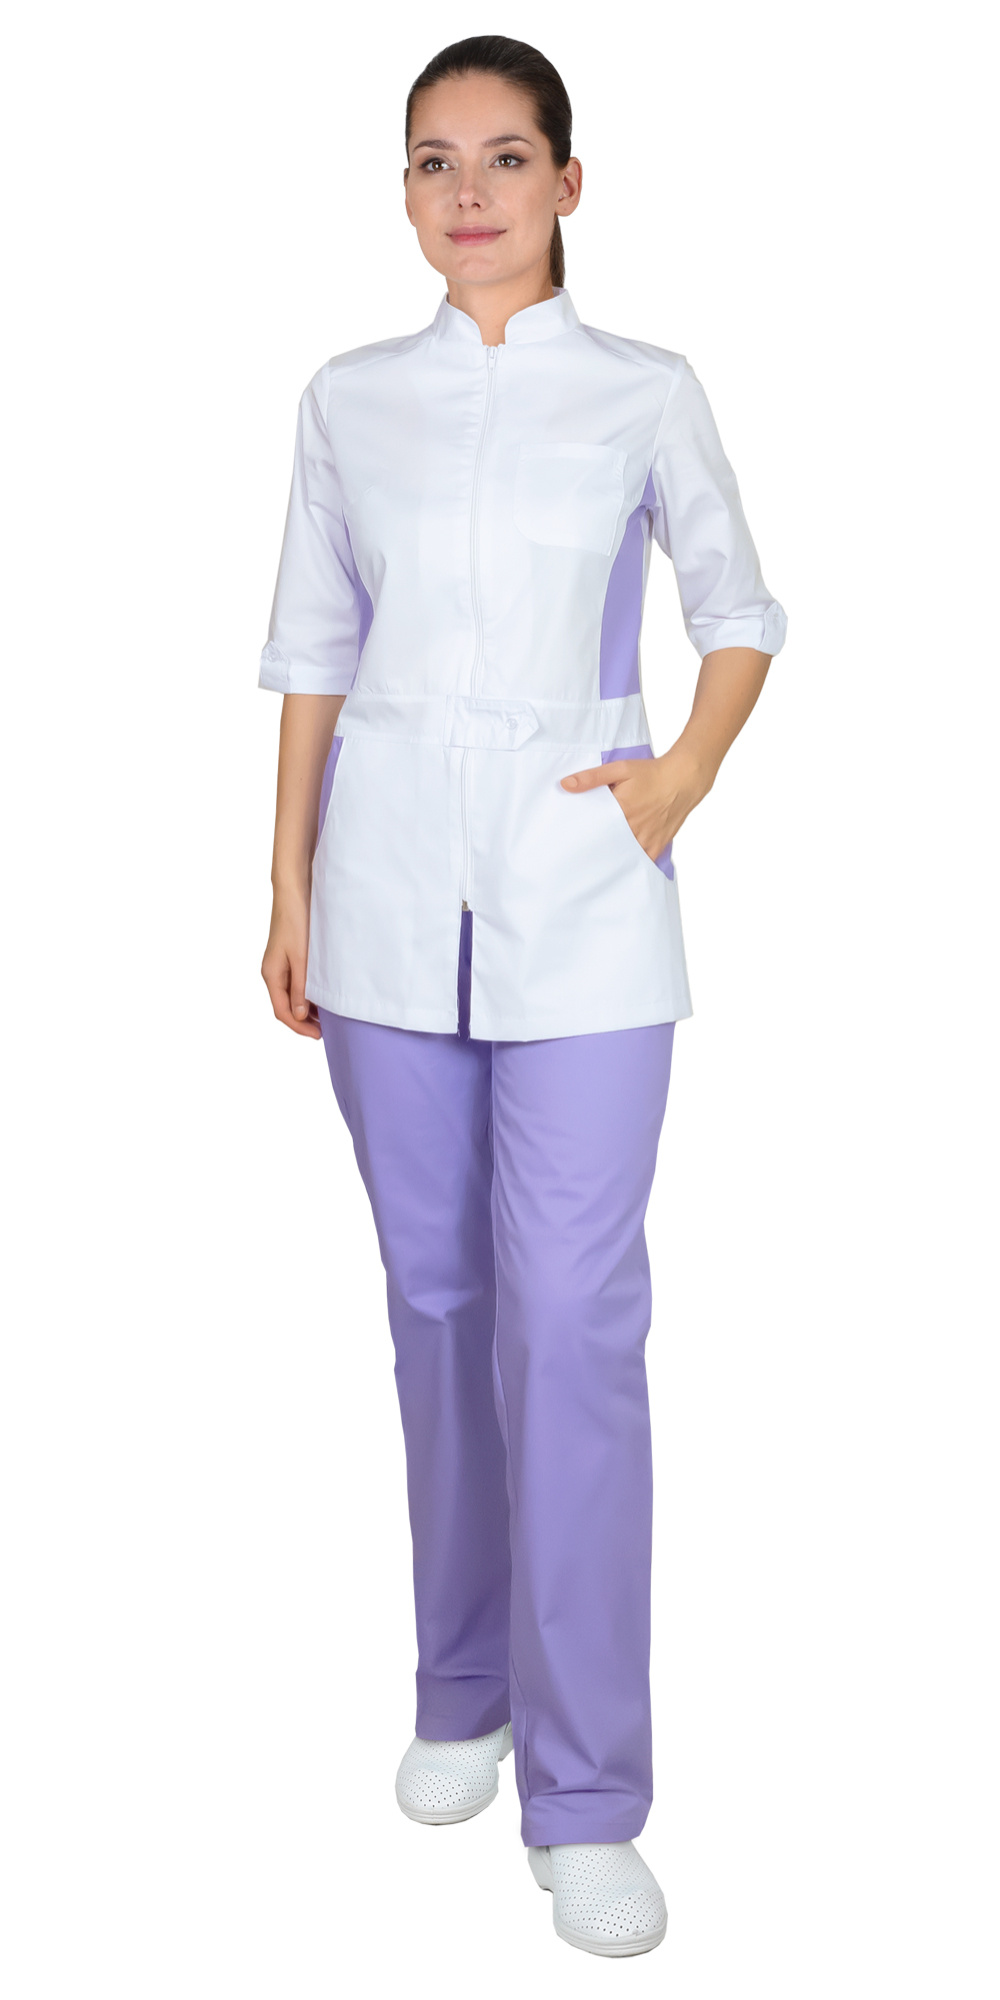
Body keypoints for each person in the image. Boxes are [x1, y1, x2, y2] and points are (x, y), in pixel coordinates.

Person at [259, 34, 786, 1960]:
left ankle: (589, 1796)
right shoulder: (349, 398)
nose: (466, 191)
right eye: (432, 161)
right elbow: (316, 643)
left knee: (570, 1326)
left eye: (502, 157)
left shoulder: (645, 390)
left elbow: (740, 607)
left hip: (584, 906)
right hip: (389, 899)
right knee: (436, 1305)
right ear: (405, 194)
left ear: (570, 182)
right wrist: (289, 878)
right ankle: (459, 1686)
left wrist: (678, 781)